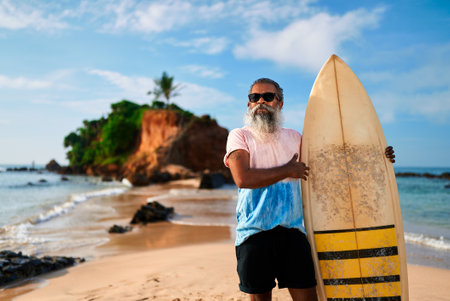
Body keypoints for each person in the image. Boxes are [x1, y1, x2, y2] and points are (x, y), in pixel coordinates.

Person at [223, 78, 395, 301]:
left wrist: (377, 155)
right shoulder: (240, 135)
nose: (260, 102)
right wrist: (287, 170)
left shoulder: (295, 138)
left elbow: (329, 165)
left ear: (280, 103)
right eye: (254, 98)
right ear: (248, 104)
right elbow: (242, 178)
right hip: (254, 234)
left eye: (268, 96)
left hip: (293, 233)